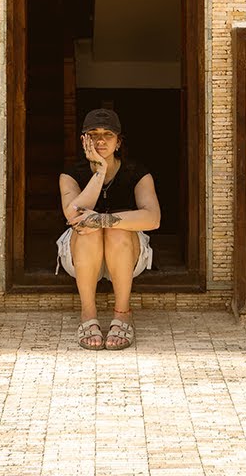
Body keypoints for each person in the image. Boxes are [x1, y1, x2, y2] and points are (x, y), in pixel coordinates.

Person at [57, 108, 161, 350]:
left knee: (116, 228)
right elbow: (73, 216)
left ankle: (122, 313)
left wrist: (103, 220)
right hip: (81, 255)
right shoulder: (71, 174)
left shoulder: (137, 173)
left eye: (108, 134)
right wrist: (100, 171)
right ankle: (88, 314)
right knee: (87, 232)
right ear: (84, 140)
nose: (100, 140)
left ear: (118, 142)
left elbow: (153, 219)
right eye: (93, 134)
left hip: (126, 255)